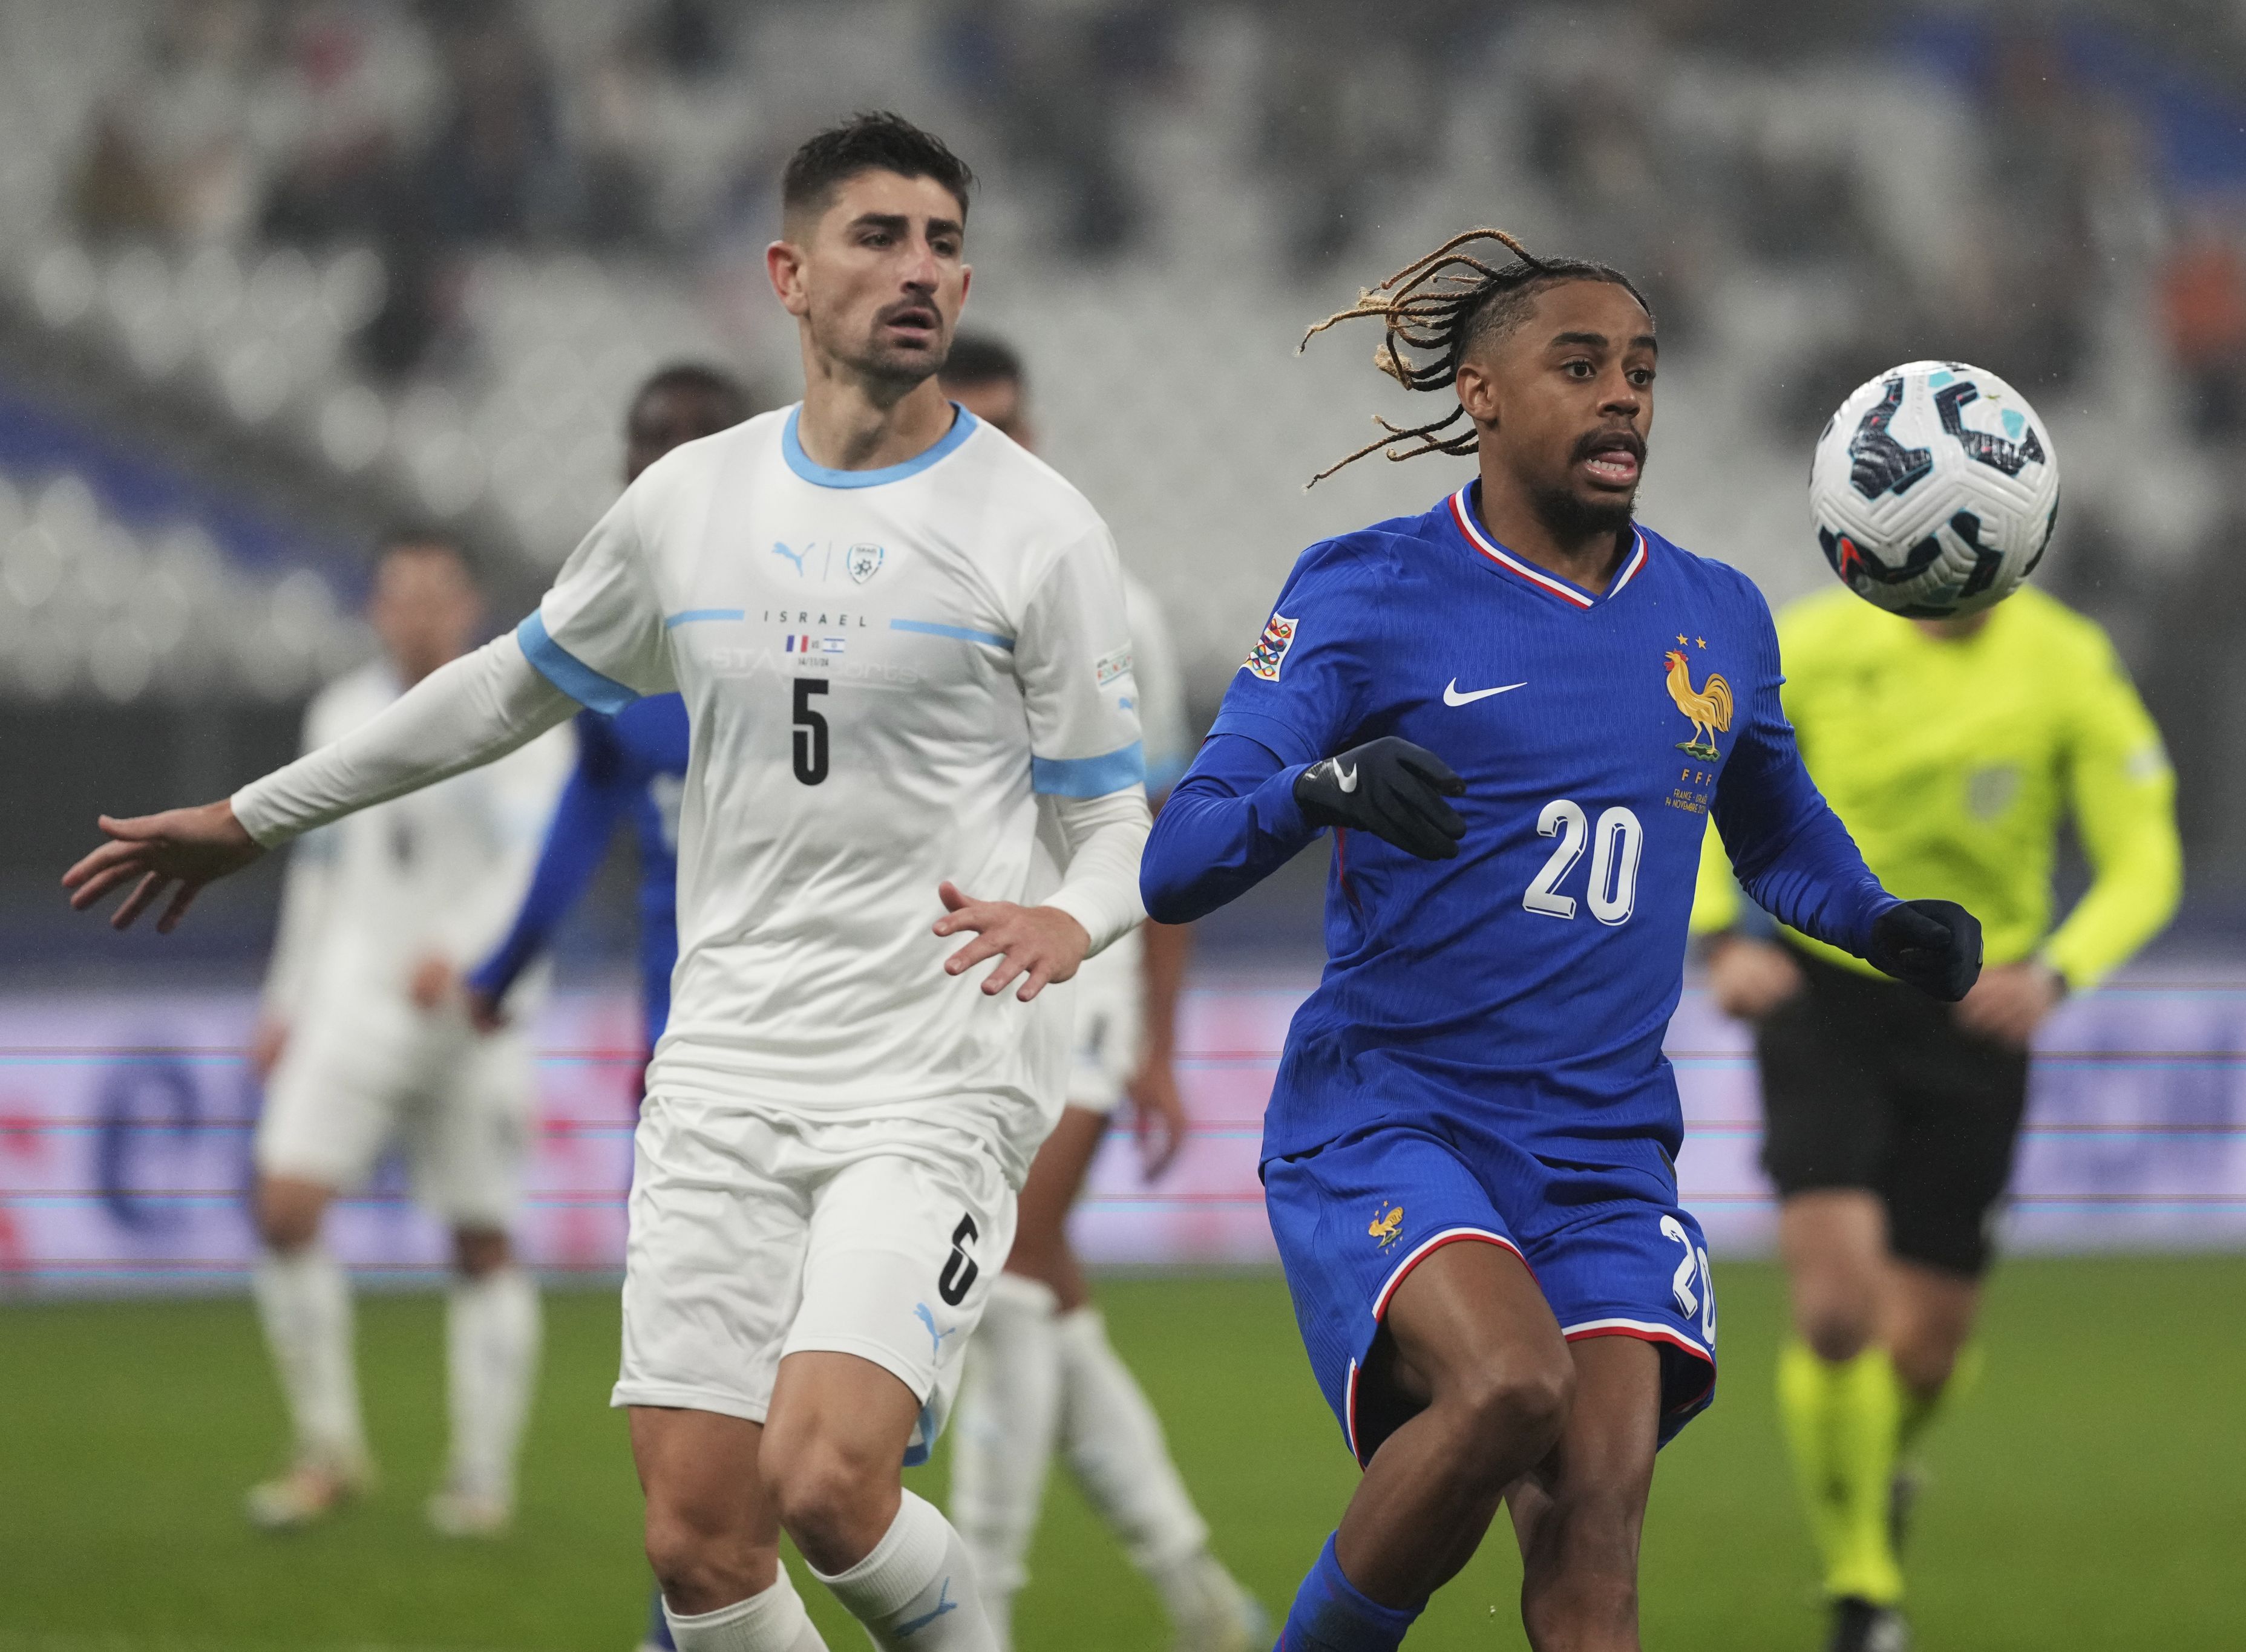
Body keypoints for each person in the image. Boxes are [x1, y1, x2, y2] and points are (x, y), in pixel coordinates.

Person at [64, 113, 1152, 1652]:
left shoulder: (1039, 530)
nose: (921, 270)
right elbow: (503, 691)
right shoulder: (691, 502)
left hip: (932, 1079)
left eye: (944, 244)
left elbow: (1115, 823)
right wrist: (256, 817)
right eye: (878, 236)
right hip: (722, 1072)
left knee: (828, 1481)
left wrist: (1071, 914)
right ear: (787, 273)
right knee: (698, 1546)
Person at [1137, 227, 1985, 1652]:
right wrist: (1317, 789)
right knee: (1509, 1386)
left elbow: (1774, 832)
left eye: (1640, 370)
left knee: (1594, 1558)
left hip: (1600, 1151)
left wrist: (1878, 922)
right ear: (1478, 392)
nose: (1622, 397)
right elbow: (1176, 860)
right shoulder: (1366, 591)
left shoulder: (1714, 613)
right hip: (1393, 1116)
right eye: (1578, 366)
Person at [1689, 583, 2181, 1652]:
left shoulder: (2067, 661)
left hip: (1976, 1008)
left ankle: (1882, 1464)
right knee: (1835, 1311)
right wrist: (1721, 938)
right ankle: (1863, 1592)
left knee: (1924, 1356)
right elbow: (1707, 782)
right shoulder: (1812, 644)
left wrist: (2057, 973)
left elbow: (2147, 859)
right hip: (1824, 995)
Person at [937, 333, 1266, 1652]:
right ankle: (1198, 1594)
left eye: (1012, 423)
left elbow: (1171, 834)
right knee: (1049, 1289)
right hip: (951, 973)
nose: (995, 448)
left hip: (1086, 967)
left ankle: (981, 1609)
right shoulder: (885, 591)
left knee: (1012, 1265)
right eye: (969, 423)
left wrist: (1160, 1045)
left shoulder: (1106, 599)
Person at [462, 361, 753, 1652]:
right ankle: (682, 1620)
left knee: (825, 1418)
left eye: (697, 436)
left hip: (842, 1051)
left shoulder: (837, 622)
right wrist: (504, 966)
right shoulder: (615, 659)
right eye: (650, 440)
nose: (670, 458)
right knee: (696, 1373)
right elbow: (580, 821)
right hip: (682, 1056)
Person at [243, 529, 571, 1536]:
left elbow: (532, 864)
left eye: (437, 595)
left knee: (482, 1240)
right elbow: (319, 873)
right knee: (285, 1208)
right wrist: (285, 1000)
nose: (419, 614)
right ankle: (328, 1449)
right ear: (377, 609)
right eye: (402, 596)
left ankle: (480, 1474)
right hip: (357, 998)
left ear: (467, 607)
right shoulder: (340, 712)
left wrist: (466, 949)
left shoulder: (522, 712)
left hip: (473, 1011)